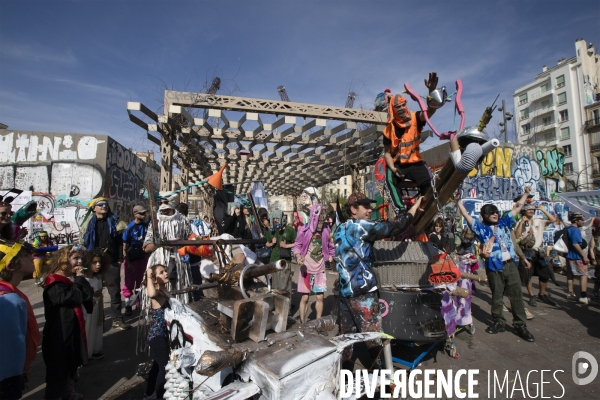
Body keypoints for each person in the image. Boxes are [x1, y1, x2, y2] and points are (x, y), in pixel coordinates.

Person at [334, 192, 423, 371]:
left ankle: (344, 382)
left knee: (346, 342)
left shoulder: (339, 228)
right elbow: (396, 227)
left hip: (345, 295)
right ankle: (383, 383)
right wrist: (413, 209)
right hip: (363, 294)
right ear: (353, 209)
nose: (370, 210)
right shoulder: (361, 227)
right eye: (365, 206)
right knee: (375, 342)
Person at [457, 187, 535, 342]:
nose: (495, 214)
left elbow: (518, 207)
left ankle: (520, 325)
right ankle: (498, 321)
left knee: (516, 295)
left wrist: (525, 194)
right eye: (491, 212)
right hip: (493, 266)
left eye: (496, 212)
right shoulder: (480, 228)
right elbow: (465, 214)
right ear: (484, 216)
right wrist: (458, 200)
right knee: (497, 296)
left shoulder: (505, 222)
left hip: (510, 265)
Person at [380, 73, 440, 214]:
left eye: (403, 104)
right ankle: (401, 213)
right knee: (389, 180)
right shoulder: (389, 129)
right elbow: (387, 154)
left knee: (429, 181)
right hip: (397, 164)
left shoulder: (415, 118)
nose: (402, 108)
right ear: (393, 110)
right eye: (398, 106)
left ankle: (425, 208)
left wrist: (431, 91)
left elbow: (430, 111)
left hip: (414, 161)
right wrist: (394, 169)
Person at [42, 245, 94, 400]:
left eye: (80, 258)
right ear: (63, 261)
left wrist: (80, 280)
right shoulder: (55, 283)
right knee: (59, 370)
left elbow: (86, 294)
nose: (79, 262)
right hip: (59, 335)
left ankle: (68, 392)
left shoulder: (68, 280)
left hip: (71, 331)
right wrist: (79, 279)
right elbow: (74, 297)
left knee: (70, 365)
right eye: (75, 258)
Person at [80, 197, 130, 330]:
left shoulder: (114, 221)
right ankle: (97, 321)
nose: (104, 206)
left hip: (111, 261)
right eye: (100, 204)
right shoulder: (88, 223)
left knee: (114, 292)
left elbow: (119, 242)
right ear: (94, 208)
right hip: (93, 261)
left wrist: (120, 259)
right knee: (93, 291)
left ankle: (117, 319)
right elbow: (84, 244)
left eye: (105, 204)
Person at [0, 241, 39, 400]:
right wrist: (19, 374)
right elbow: (11, 347)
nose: (31, 257)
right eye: (24, 256)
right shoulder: (9, 300)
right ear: (11, 265)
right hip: (6, 378)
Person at [293, 203, 335, 324]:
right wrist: (298, 256)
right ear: (313, 216)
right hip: (306, 268)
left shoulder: (326, 231)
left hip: (320, 268)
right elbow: (297, 246)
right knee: (305, 297)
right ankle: (302, 323)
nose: (322, 218)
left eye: (323, 215)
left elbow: (330, 247)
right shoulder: (304, 230)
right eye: (320, 215)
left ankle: (318, 323)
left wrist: (333, 256)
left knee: (320, 296)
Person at [144, 199, 191, 303]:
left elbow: (191, 240)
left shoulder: (183, 220)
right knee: (160, 294)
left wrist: (184, 243)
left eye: (166, 202)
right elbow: (147, 247)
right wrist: (162, 244)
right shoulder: (154, 222)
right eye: (160, 202)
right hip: (159, 262)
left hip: (179, 265)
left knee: (179, 293)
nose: (163, 205)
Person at [515, 203, 557, 307]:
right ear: (523, 211)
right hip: (527, 251)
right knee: (528, 274)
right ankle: (532, 295)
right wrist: (522, 223)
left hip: (539, 251)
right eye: (528, 209)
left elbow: (553, 220)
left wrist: (542, 209)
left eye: (532, 209)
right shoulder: (519, 222)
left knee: (545, 273)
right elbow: (516, 236)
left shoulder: (539, 221)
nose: (531, 210)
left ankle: (542, 294)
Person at [143, 264, 171, 400]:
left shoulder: (165, 291)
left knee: (156, 366)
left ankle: (148, 393)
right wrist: (149, 275)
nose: (166, 273)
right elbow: (151, 293)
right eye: (162, 272)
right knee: (164, 367)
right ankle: (160, 396)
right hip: (157, 336)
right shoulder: (157, 294)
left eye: (165, 271)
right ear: (154, 280)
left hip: (164, 335)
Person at [122, 205, 149, 316]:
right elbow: (124, 247)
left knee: (141, 282)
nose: (143, 215)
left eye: (144, 213)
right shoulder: (129, 228)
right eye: (141, 213)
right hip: (131, 258)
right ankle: (128, 305)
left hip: (142, 257)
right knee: (129, 282)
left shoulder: (146, 225)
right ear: (135, 214)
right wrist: (127, 262)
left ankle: (139, 303)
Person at [84, 249, 109, 361]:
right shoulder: (83, 279)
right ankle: (86, 353)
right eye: (94, 262)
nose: (98, 265)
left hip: (97, 308)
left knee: (96, 329)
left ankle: (95, 350)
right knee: (88, 329)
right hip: (87, 310)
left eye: (99, 262)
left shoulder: (97, 278)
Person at [564, 212, 592, 304]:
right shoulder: (575, 230)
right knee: (584, 274)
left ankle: (570, 293)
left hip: (569, 256)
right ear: (576, 221)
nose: (583, 222)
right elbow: (575, 243)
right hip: (577, 256)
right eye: (582, 220)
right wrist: (584, 256)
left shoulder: (568, 228)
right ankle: (583, 296)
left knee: (570, 274)